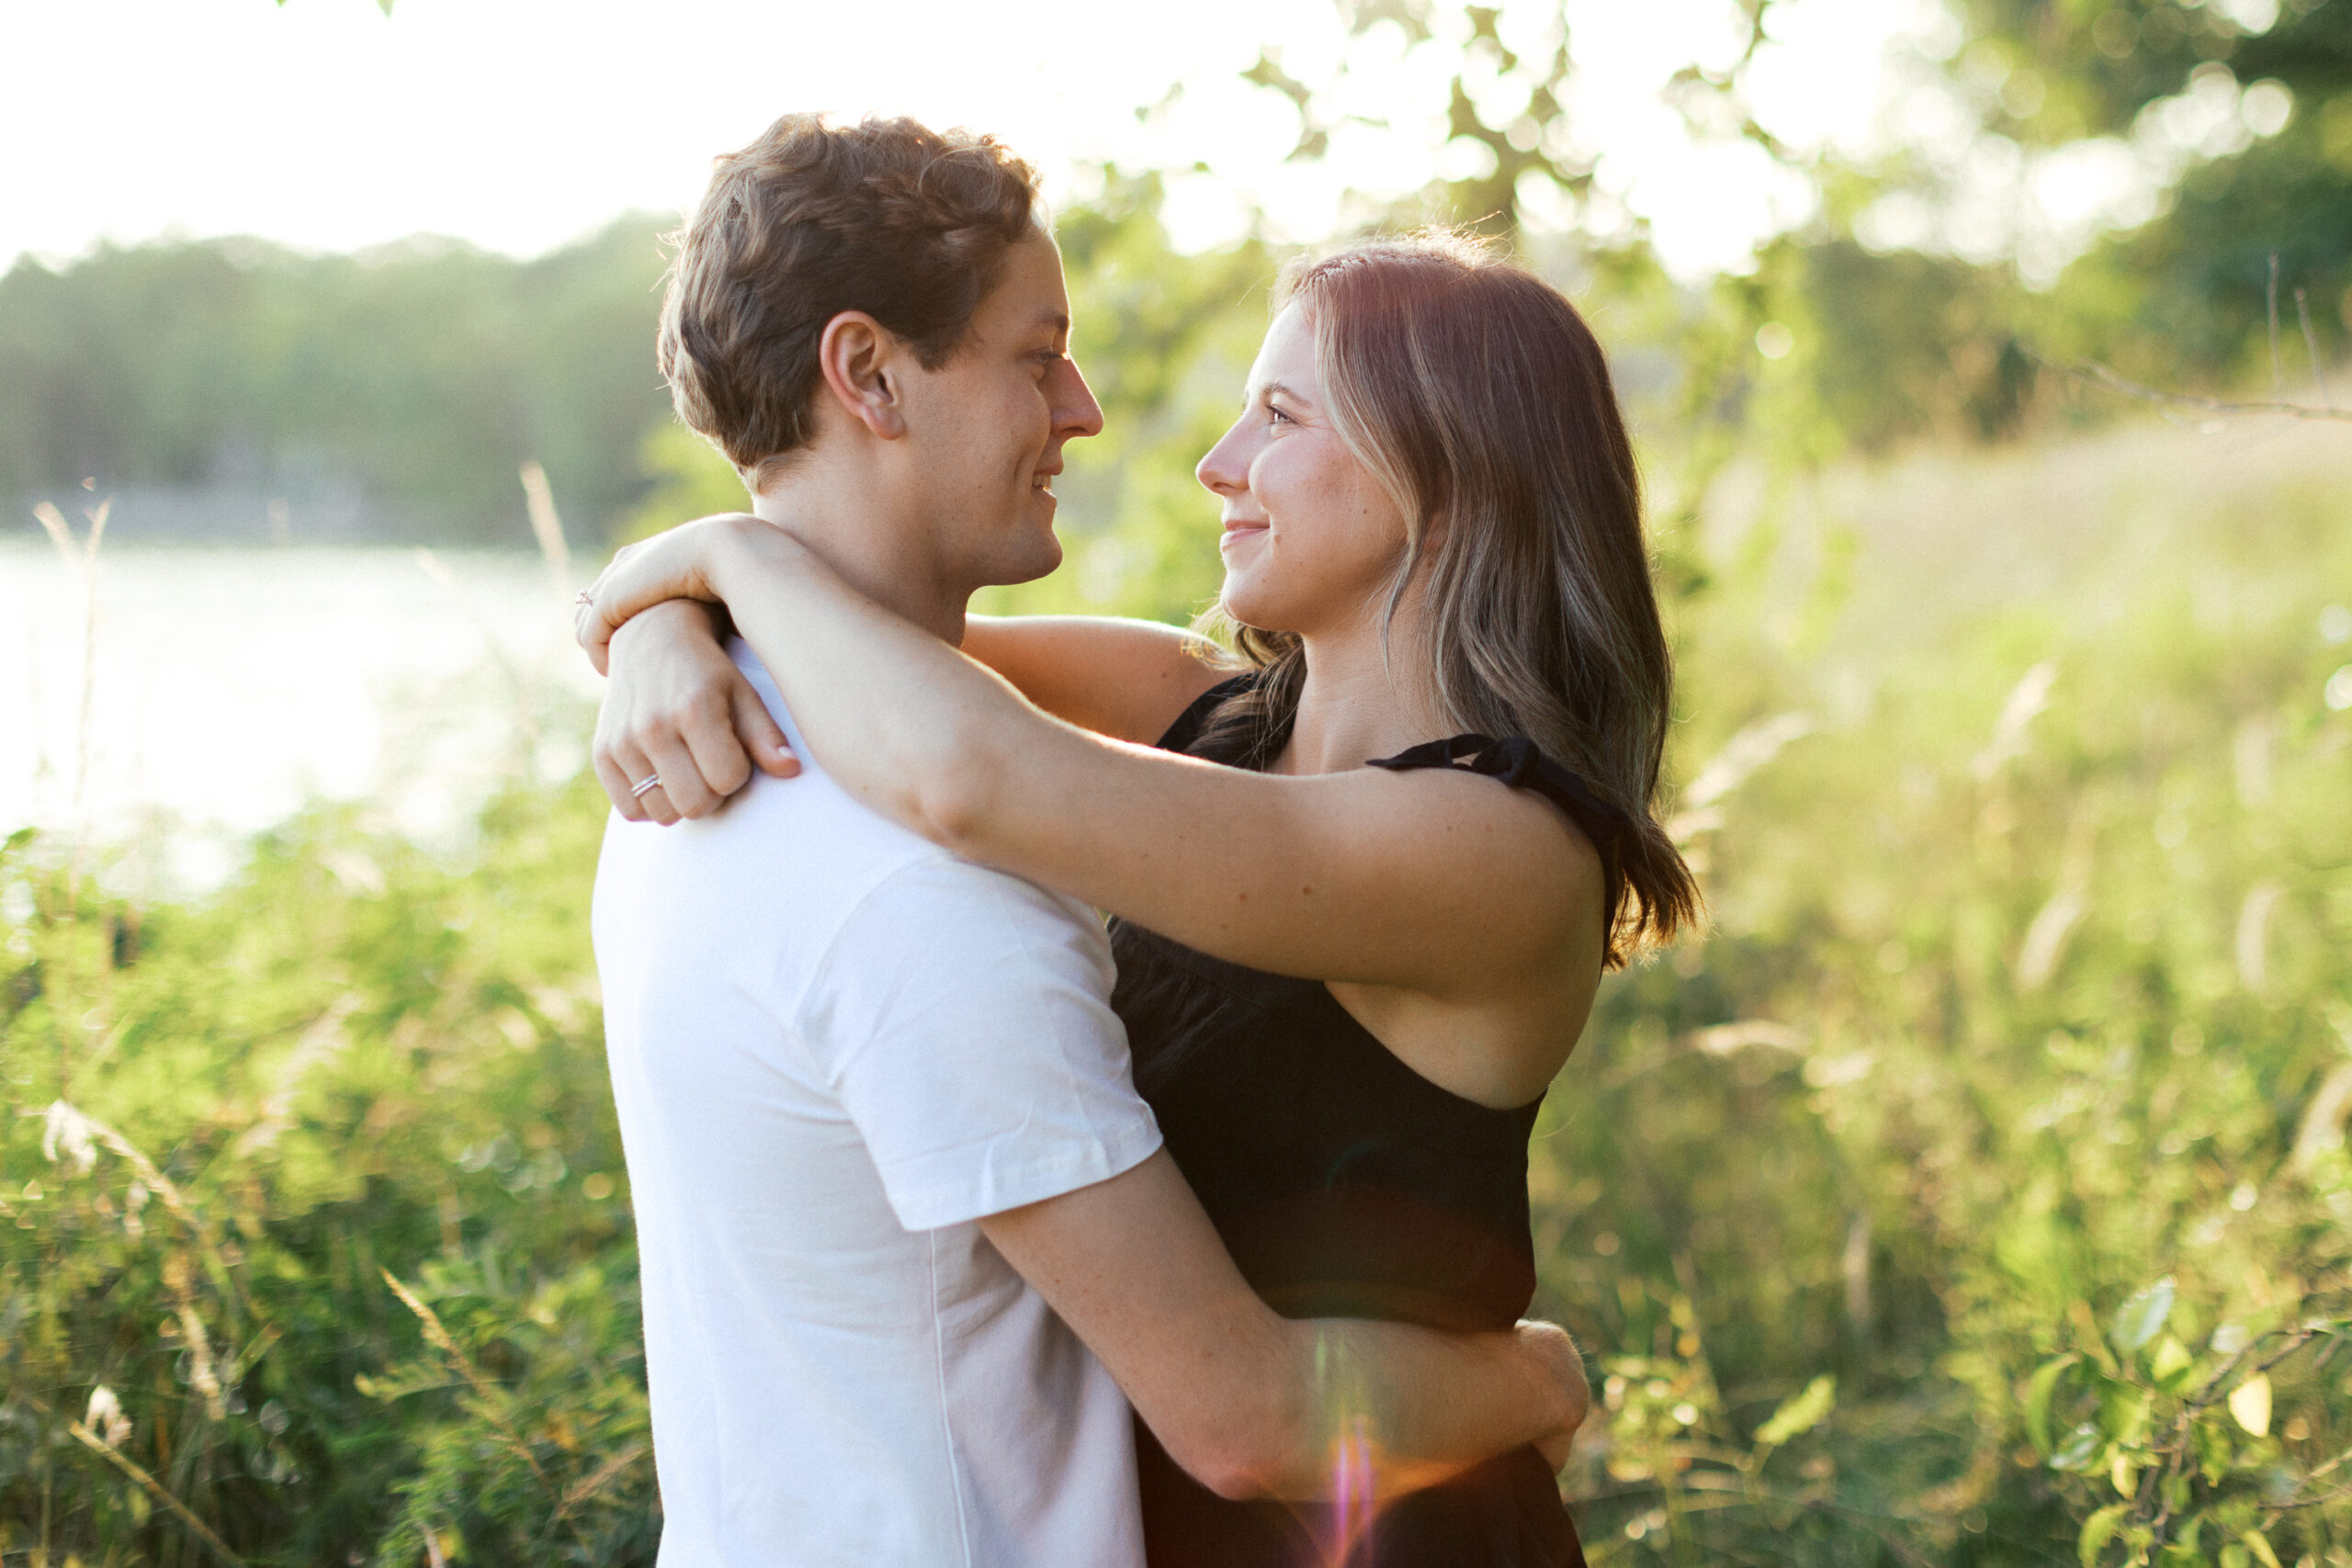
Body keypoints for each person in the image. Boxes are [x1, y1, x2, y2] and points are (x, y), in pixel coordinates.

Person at [587, 213, 1702, 1564]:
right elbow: (871, 627)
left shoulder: (1499, 854)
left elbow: (954, 764)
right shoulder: (1192, 701)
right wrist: (669, 611)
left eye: (1280, 415)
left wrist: (733, 563)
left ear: (1449, 468)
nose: (1215, 464)